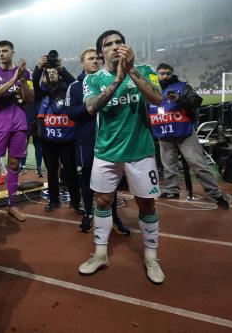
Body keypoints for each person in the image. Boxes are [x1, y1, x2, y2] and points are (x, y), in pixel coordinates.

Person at [78, 30, 165, 284]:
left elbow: (157, 99)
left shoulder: (145, 69)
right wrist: (116, 80)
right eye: (109, 44)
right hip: (106, 152)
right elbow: (92, 107)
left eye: (119, 42)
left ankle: (151, 256)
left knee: (147, 204)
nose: (115, 46)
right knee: (102, 202)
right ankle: (101, 253)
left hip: (140, 151)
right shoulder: (93, 79)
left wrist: (131, 71)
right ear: (101, 51)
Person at [66, 49, 130, 233]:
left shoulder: (111, 81)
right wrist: (90, 108)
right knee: (86, 178)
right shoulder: (75, 87)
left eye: (97, 58)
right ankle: (88, 214)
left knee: (112, 179)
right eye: (90, 58)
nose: (95, 61)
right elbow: (70, 113)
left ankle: (114, 216)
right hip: (86, 139)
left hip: (110, 139)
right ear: (82, 63)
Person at [149, 63, 229, 208]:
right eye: (162, 73)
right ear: (157, 75)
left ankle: (215, 194)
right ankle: (172, 190)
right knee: (168, 166)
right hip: (164, 133)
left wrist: (180, 100)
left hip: (184, 132)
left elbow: (197, 101)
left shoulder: (182, 87)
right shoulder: (153, 89)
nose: (165, 76)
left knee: (198, 164)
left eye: (168, 73)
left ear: (172, 74)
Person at [0, 41, 34, 222]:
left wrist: (22, 82)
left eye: (5, 51)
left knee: (13, 166)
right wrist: (13, 80)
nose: (1, 54)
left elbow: (29, 99)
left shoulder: (26, 73)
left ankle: (12, 205)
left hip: (19, 125)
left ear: (12, 52)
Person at [33, 57, 82, 213]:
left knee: (70, 173)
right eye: (49, 72)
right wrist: (39, 68)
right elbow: (35, 81)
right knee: (52, 173)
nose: (52, 74)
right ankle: (54, 201)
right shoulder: (41, 92)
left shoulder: (68, 89)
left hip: (67, 140)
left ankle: (75, 202)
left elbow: (77, 84)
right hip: (48, 141)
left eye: (54, 71)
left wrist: (62, 69)